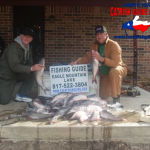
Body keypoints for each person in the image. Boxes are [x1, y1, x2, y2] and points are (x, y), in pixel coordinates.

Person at [70, 25, 127, 103]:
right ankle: (111, 87)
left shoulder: (114, 45)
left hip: (118, 69)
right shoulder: (95, 45)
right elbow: (88, 57)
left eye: (101, 34)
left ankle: (116, 98)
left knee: (115, 71)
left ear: (106, 34)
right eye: (97, 34)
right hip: (105, 74)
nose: (99, 36)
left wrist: (101, 59)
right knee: (103, 96)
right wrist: (77, 62)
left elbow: (116, 63)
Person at [0, 28, 44, 105]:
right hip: (6, 76)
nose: (27, 38)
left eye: (29, 37)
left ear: (31, 39)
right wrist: (31, 68)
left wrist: (36, 69)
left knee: (31, 74)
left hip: (17, 74)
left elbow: (29, 64)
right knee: (4, 101)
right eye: (25, 36)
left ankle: (21, 96)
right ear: (20, 36)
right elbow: (14, 66)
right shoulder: (13, 48)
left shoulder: (28, 49)